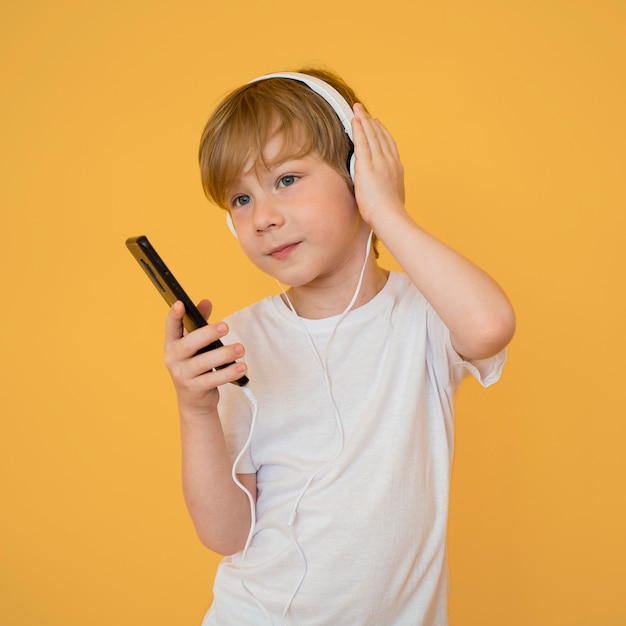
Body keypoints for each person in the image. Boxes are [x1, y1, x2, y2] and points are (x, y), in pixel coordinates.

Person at [163, 68, 515, 625]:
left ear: (358, 173)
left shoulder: (424, 313)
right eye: (241, 198)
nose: (264, 218)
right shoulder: (240, 341)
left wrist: (387, 211)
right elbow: (226, 533)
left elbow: (490, 325)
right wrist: (196, 409)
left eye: (286, 180)